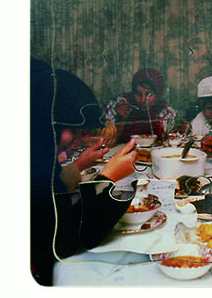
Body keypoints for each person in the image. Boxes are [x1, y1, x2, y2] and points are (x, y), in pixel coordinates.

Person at [31, 58, 138, 286]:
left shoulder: (38, 151)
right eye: (73, 131)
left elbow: (53, 189)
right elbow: (66, 239)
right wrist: (107, 178)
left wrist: (80, 163)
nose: (78, 140)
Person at [106, 68, 177, 143]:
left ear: (158, 95)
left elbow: (171, 140)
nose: (143, 100)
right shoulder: (119, 104)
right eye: (138, 94)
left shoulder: (166, 112)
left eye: (148, 94)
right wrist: (121, 119)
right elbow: (106, 137)